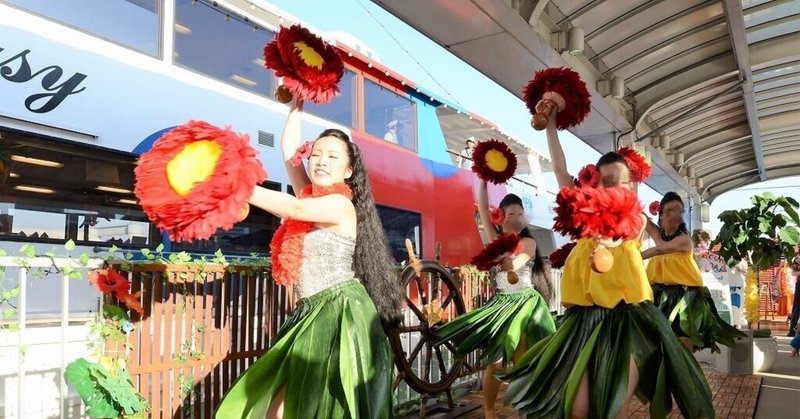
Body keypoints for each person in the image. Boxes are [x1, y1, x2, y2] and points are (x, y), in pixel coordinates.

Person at [501, 102, 714, 419]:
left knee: (612, 409)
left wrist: (606, 240)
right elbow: (560, 169)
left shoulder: (636, 220)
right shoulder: (584, 216)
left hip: (628, 323)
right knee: (578, 409)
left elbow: (621, 235)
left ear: (632, 186)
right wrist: (551, 123)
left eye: (618, 181)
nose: (610, 186)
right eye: (604, 180)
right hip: (584, 322)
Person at [215, 99, 404, 419]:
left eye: (332, 156)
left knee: (294, 410)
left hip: (338, 311)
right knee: (284, 409)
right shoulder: (312, 195)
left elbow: (295, 210)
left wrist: (239, 185)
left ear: (348, 170)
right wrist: (297, 102)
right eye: (316, 154)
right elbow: (289, 150)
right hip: (310, 312)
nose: (320, 161)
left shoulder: (340, 206)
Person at [434, 187, 555, 419]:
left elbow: (521, 259)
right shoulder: (495, 238)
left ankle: (526, 410)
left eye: (520, 214)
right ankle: (489, 411)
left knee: (524, 360)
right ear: (500, 217)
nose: (516, 219)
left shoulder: (528, 241)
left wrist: (511, 263)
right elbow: (481, 207)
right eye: (510, 214)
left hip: (526, 306)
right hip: (502, 305)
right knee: (496, 361)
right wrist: (483, 177)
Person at [643, 192, 745, 352]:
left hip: (683, 298)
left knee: (682, 344)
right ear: (661, 214)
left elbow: (659, 249)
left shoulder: (685, 240)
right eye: (669, 210)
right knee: (656, 345)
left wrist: (632, 257)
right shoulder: (659, 236)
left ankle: (686, 373)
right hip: (657, 297)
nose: (674, 215)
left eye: (678, 210)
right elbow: (641, 218)